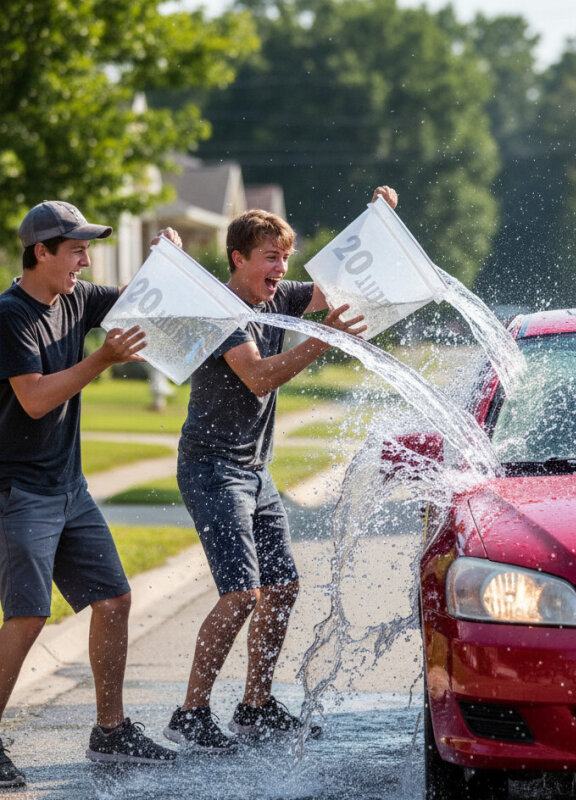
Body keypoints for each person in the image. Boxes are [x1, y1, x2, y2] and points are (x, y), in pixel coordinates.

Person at [163, 186, 398, 754]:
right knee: (241, 592)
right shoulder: (222, 310)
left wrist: (379, 224)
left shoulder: (278, 297)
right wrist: (327, 342)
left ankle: (255, 705)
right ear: (239, 258)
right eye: (271, 257)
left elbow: (335, 287)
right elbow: (259, 376)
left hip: (255, 470)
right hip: (212, 469)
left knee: (283, 587)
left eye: (285, 257)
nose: (281, 268)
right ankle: (189, 713)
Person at [0, 201, 180, 788]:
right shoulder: (10, 316)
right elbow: (33, 398)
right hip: (19, 489)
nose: (85, 259)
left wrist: (165, 264)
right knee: (26, 616)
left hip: (68, 486)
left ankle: (110, 730)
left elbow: (137, 295)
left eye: (85, 248)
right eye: (74, 249)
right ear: (41, 253)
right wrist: (102, 357)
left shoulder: (79, 298)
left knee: (113, 599)